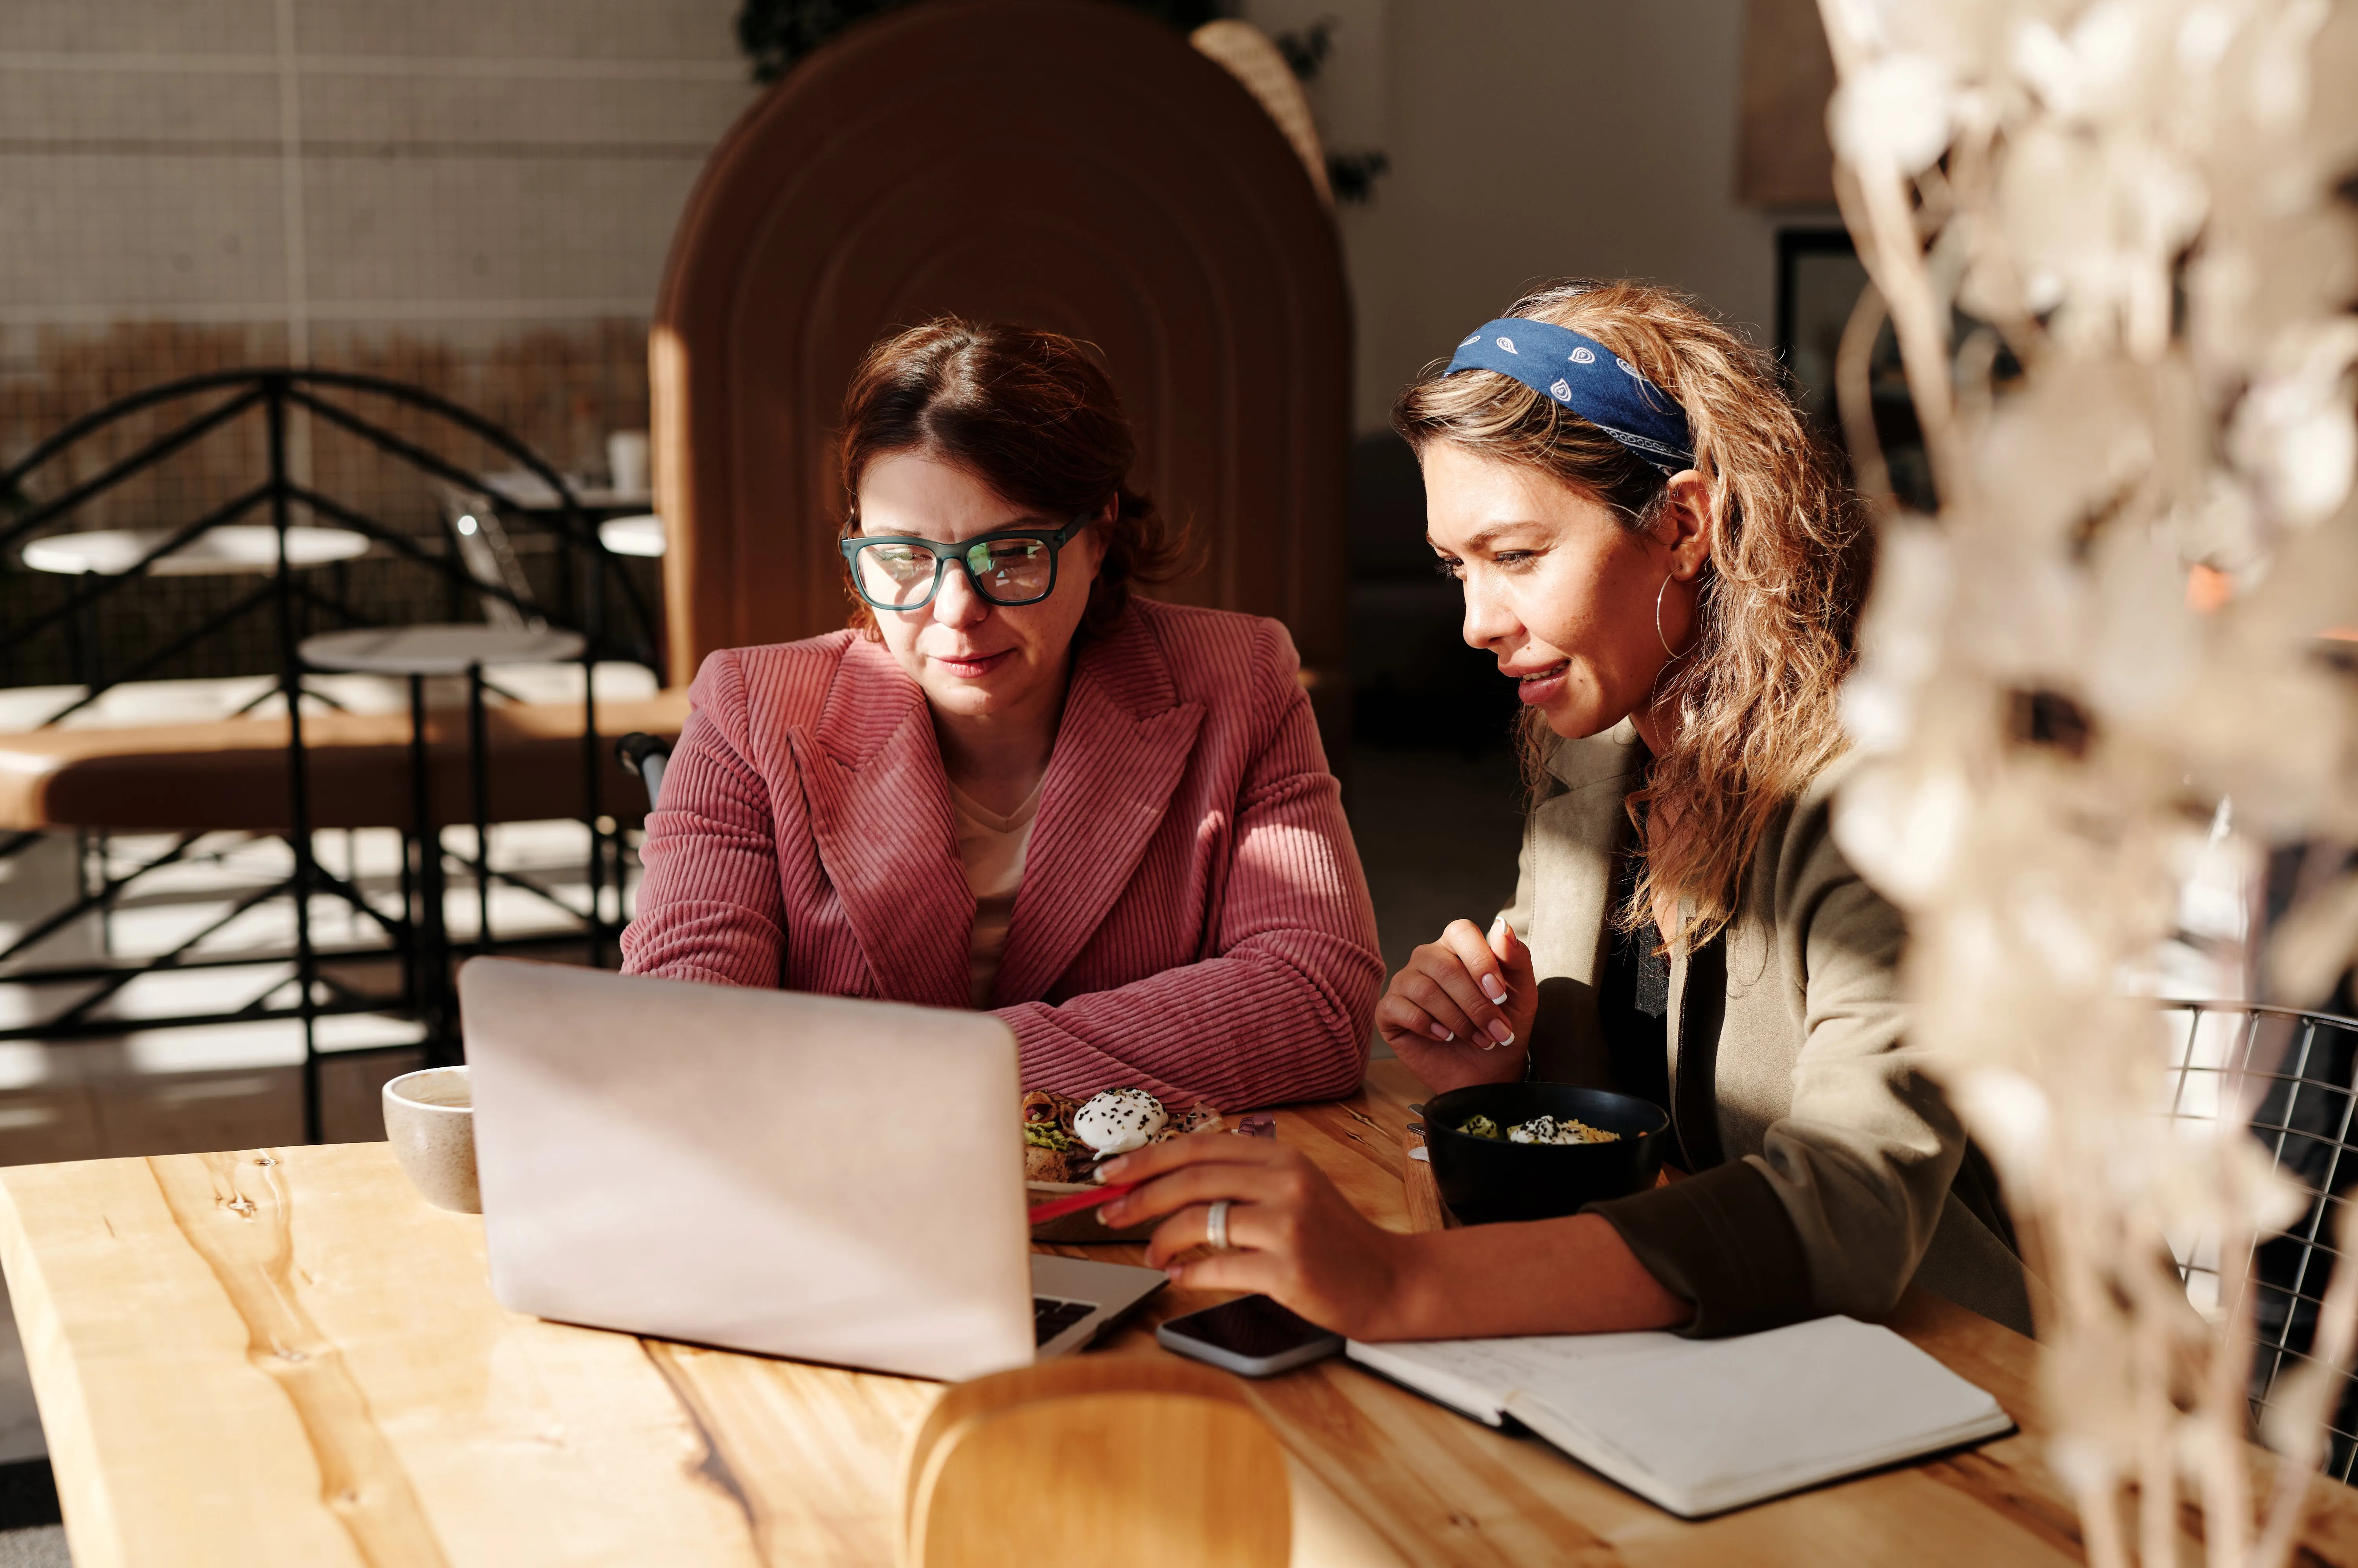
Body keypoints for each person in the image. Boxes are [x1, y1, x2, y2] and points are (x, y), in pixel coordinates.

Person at [1096, 281, 2031, 1339]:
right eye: (1456, 567)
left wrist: (1402, 1286)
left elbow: (1854, 1208)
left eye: (1518, 556)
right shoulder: (1595, 769)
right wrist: (1503, 1067)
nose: (1475, 624)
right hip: (1709, 1361)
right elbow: (1634, 1137)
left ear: (1683, 526)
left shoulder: (1888, 801)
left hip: (1955, 1377)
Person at [622, 319, 1383, 1108]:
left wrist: (939, 1066)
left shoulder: (1237, 680)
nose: (955, 609)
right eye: (905, 556)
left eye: (1013, 553)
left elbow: (1315, 1003)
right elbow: (684, 1034)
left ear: (1099, 535)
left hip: (1150, 1209)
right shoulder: (752, 709)